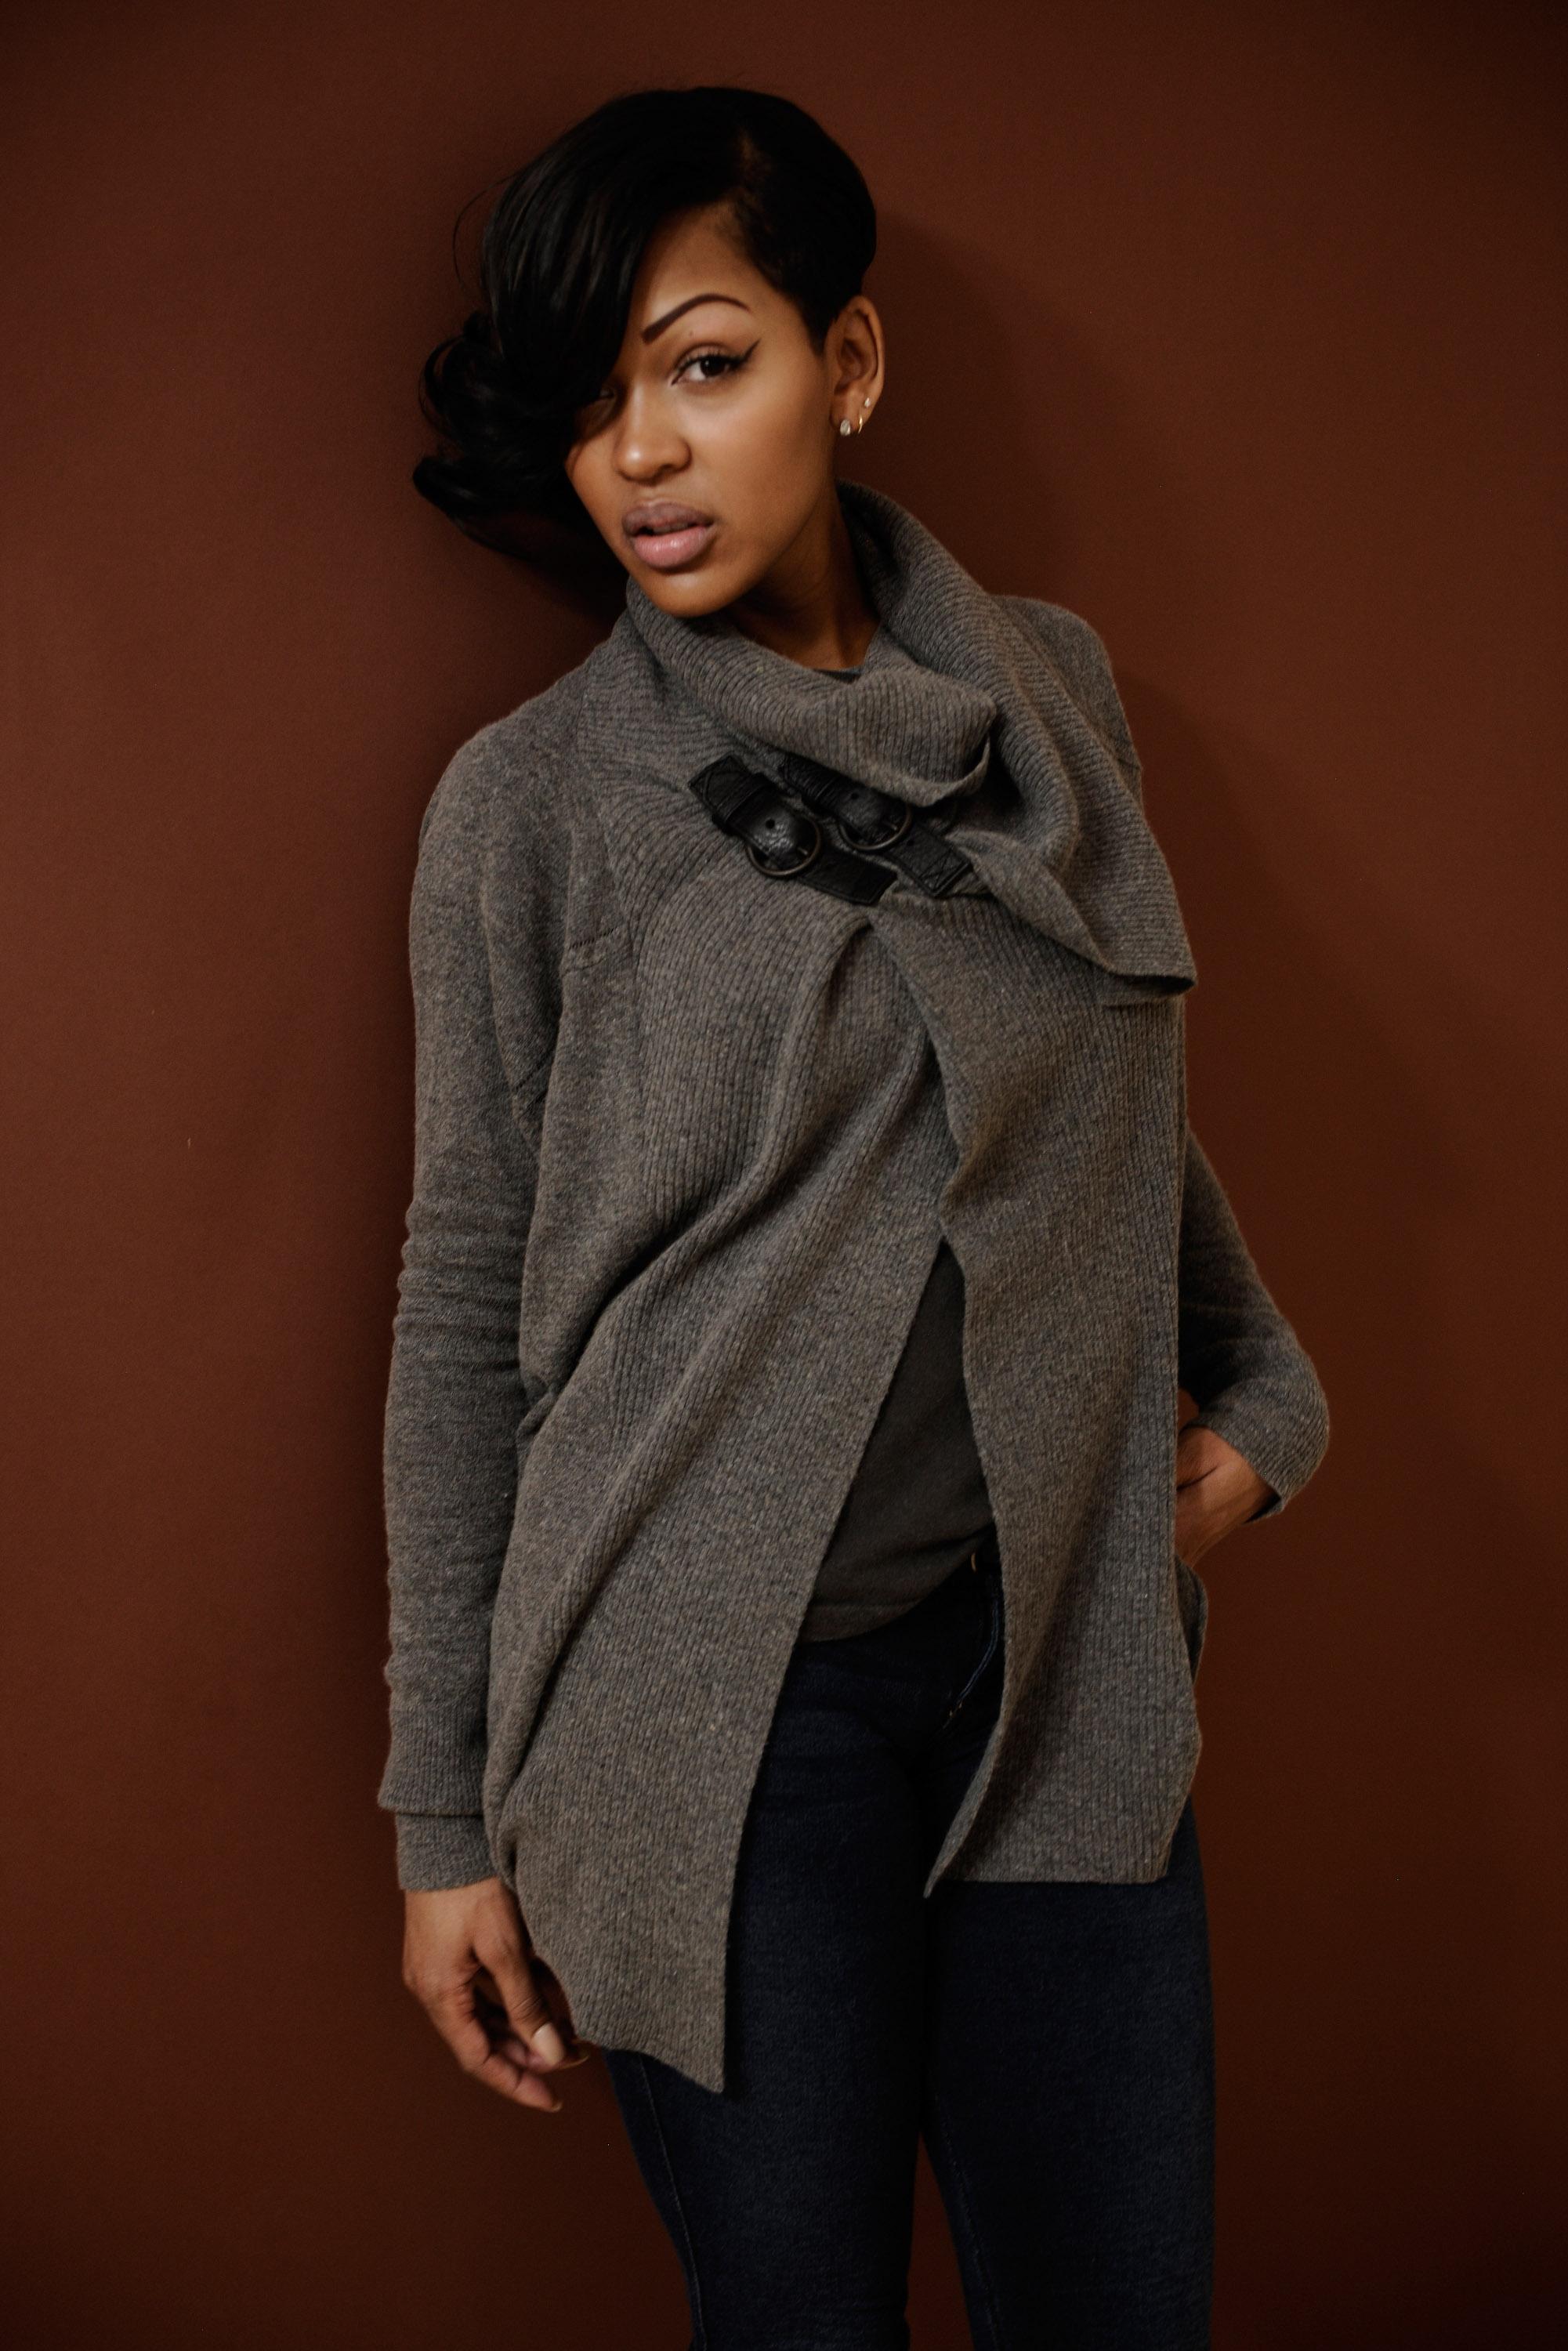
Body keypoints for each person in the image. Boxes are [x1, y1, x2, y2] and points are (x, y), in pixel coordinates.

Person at [377, 83, 1331, 2351]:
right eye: (591, 401)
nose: (641, 453)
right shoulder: (529, 806)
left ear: (851, 362)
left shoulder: (1049, 696)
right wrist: (440, 1829)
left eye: (704, 365)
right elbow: (463, 1306)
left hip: (1056, 1670)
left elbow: (1098, 1089)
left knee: (1117, 2307)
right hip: (707, 1712)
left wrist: (1274, 1396)